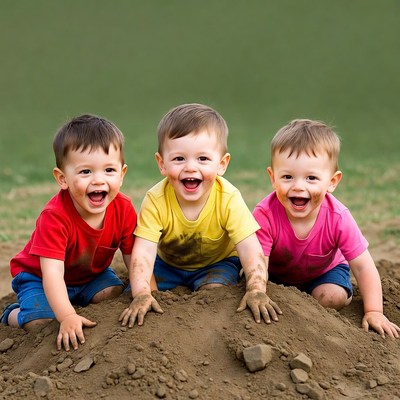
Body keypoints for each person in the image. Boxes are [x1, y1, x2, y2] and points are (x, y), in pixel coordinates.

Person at [119, 103, 282, 328]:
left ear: (222, 164)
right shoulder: (155, 200)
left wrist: (256, 289)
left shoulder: (228, 198)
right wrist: (142, 293)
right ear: (161, 164)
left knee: (216, 294)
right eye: (179, 159)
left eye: (203, 159)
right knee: (135, 290)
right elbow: (144, 252)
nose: (190, 168)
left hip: (216, 264)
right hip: (168, 266)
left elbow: (250, 248)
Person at [1, 114, 145, 351]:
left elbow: (133, 256)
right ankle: (14, 314)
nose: (99, 180)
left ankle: (72, 301)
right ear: (62, 179)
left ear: (122, 173)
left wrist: (143, 290)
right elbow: (52, 274)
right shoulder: (55, 217)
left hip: (88, 276)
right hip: (39, 277)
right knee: (42, 322)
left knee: (113, 291)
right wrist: (67, 316)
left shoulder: (123, 208)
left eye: (109, 170)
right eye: (85, 172)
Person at [253, 118, 400, 338]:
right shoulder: (265, 213)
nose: (298, 186)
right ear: (273, 178)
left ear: (332, 181)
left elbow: (363, 267)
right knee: (248, 275)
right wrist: (257, 290)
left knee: (332, 297)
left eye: (311, 178)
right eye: (287, 177)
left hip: (324, 272)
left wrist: (374, 311)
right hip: (274, 274)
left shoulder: (338, 217)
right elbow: (258, 262)